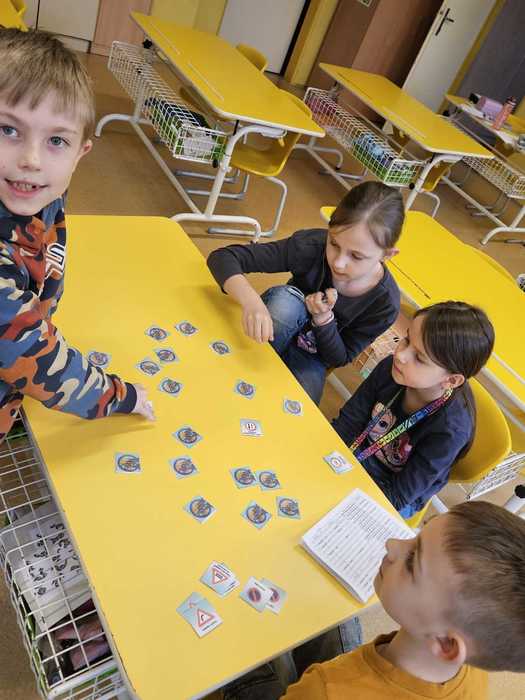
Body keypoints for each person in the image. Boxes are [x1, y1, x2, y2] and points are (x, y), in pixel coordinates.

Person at [0, 28, 153, 442]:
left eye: (56, 140)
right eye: (8, 130)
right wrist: (119, 396)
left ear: (79, 153)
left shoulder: (38, 190)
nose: (31, 160)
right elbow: (40, 363)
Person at [283, 501, 525, 698]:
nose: (392, 544)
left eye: (412, 561)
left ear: (446, 644)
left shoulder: (324, 690)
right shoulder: (475, 660)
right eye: (418, 534)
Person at [207, 181, 403, 404]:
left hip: (311, 358)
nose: (338, 263)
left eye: (356, 256)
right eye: (334, 243)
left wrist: (324, 320)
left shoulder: (385, 303)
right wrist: (251, 302)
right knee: (285, 304)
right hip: (275, 328)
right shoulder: (311, 245)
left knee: (301, 404)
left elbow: (339, 357)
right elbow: (223, 257)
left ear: (387, 255)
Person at [333, 301, 495, 517]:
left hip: (394, 489)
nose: (400, 355)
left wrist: (344, 494)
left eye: (419, 357)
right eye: (407, 339)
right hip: (360, 451)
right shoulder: (390, 368)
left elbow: (399, 496)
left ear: (451, 380)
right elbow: (347, 423)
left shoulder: (450, 430)